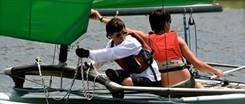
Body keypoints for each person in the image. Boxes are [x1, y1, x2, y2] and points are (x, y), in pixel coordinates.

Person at [90, 9, 223, 88]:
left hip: (165, 87)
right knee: (197, 85)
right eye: (169, 22)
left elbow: (123, 29)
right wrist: (215, 71)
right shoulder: (178, 40)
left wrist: (100, 18)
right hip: (186, 83)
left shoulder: (147, 39)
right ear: (166, 24)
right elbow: (199, 65)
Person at [76, 17, 161, 88]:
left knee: (126, 81)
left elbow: (112, 53)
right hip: (134, 75)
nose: (122, 37)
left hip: (150, 78)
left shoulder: (132, 43)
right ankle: (116, 80)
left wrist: (88, 53)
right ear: (110, 36)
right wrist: (89, 66)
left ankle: (118, 88)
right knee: (112, 75)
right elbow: (103, 58)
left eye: (124, 33)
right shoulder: (111, 44)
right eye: (118, 35)